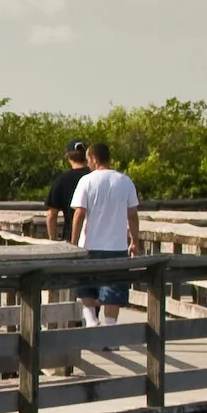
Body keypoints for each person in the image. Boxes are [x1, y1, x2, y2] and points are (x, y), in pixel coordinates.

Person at [68, 140, 143, 327]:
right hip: (117, 246)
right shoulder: (124, 181)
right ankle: (110, 330)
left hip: (90, 245)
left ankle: (92, 322)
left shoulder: (86, 181)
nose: (88, 163)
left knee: (86, 288)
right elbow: (132, 215)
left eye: (88, 159)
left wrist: (73, 242)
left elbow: (79, 213)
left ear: (94, 158)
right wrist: (135, 242)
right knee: (113, 291)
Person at [44, 141, 91, 242]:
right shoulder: (95, 177)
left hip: (70, 237)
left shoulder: (61, 180)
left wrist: (53, 241)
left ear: (68, 157)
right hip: (97, 238)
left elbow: (52, 215)